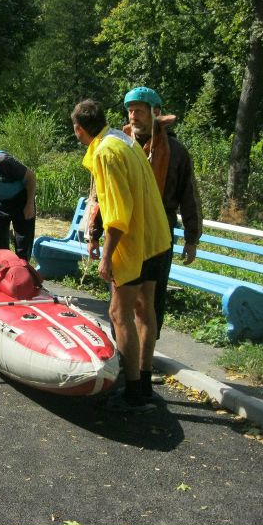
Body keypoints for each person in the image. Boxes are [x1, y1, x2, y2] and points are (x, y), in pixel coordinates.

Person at [89, 87, 203, 382]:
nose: (133, 115)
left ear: (155, 112)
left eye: (139, 109)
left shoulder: (175, 151)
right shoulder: (122, 145)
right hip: (125, 234)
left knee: (148, 305)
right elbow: (105, 196)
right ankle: (127, 369)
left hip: (158, 229)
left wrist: (192, 237)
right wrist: (94, 232)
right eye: (129, 110)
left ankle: (141, 370)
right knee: (121, 306)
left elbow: (188, 195)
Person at [71, 99, 170, 412]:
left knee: (119, 313)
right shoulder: (122, 139)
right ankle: (142, 379)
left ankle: (132, 394)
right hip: (155, 240)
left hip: (134, 244)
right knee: (145, 308)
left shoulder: (105, 152)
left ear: (78, 129)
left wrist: (106, 255)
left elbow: (118, 213)